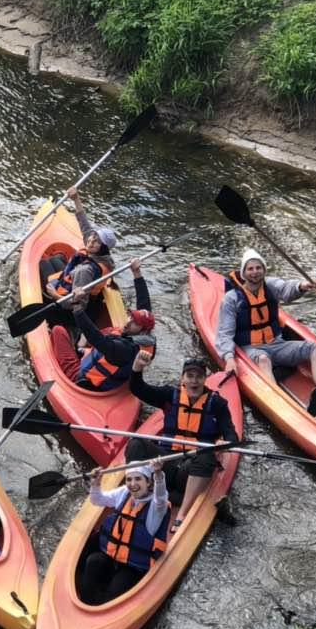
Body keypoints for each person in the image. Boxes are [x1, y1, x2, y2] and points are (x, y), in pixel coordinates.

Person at [127, 352, 239, 532]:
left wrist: (226, 444)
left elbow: (231, 434)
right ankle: (139, 493)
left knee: (206, 455)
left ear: (205, 380)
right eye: (190, 376)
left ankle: (182, 514)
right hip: (163, 464)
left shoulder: (217, 404)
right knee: (136, 443)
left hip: (190, 470)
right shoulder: (169, 395)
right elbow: (138, 389)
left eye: (199, 377)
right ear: (183, 379)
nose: (194, 381)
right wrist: (137, 367)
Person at [215, 248, 316, 389]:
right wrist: (229, 358)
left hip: (276, 343)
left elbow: (287, 289)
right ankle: (278, 399)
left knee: (314, 348)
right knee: (263, 359)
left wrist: (302, 286)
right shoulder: (232, 298)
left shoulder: (271, 286)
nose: (255, 272)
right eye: (250, 269)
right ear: (244, 273)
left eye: (258, 268)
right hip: (251, 348)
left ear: (264, 270)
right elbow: (224, 333)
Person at [51, 258, 156, 390]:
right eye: (131, 317)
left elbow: (95, 337)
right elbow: (144, 302)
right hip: (107, 374)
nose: (128, 321)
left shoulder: (123, 349)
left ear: (143, 331)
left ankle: (66, 357)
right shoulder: (148, 339)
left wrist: (77, 306)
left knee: (57, 330)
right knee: (108, 333)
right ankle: (81, 350)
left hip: (80, 379)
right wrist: (136, 272)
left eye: (135, 322)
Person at [81, 458, 169, 604]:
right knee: (93, 561)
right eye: (129, 479)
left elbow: (161, 497)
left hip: (134, 566)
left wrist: (158, 474)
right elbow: (97, 500)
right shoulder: (124, 492)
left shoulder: (157, 506)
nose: (133, 484)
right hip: (112, 555)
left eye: (138, 479)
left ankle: (104, 606)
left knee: (115, 591)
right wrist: (96, 483)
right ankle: (86, 601)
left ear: (148, 482)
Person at [39, 186, 117, 314]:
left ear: (103, 248)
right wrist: (76, 198)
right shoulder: (95, 248)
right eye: (94, 236)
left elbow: (77, 306)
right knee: (55, 259)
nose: (91, 241)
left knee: (43, 263)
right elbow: (84, 224)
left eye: (97, 241)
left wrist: (54, 295)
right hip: (71, 278)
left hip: (66, 304)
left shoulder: (86, 271)